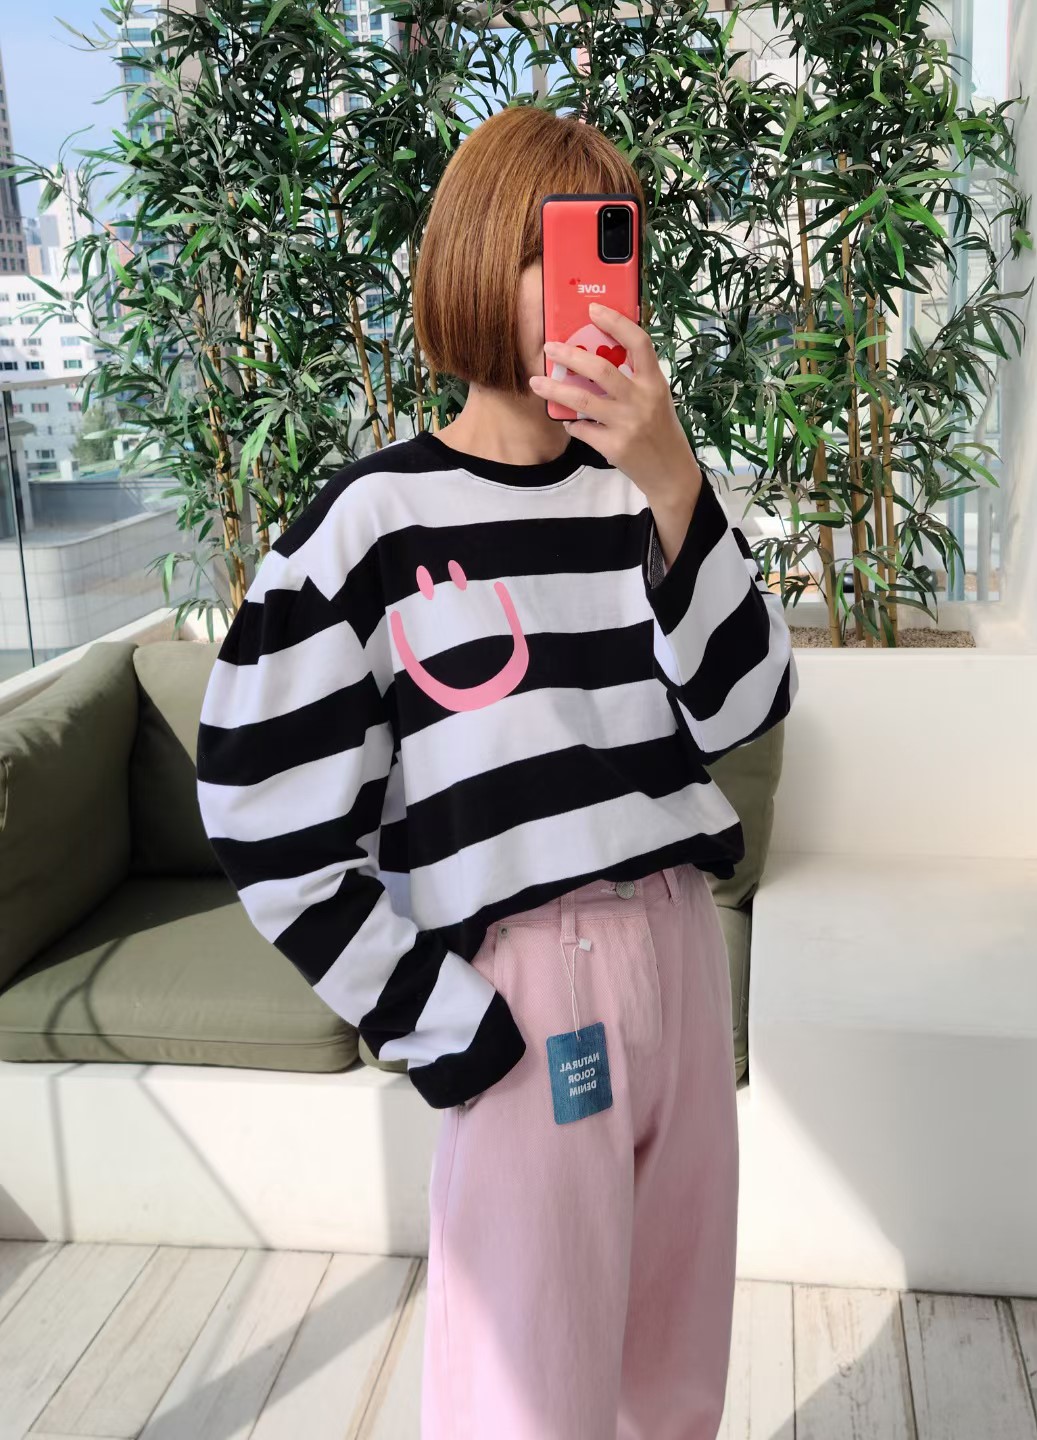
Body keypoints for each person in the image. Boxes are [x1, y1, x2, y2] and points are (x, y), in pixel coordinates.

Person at [195, 103, 798, 1440]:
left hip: (683, 952)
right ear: (472, 260)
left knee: (672, 1373)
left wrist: (674, 482)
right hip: (528, 987)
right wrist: (435, 1015)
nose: (586, 287)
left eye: (607, 249)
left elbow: (746, 707)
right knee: (527, 1389)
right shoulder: (371, 525)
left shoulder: (642, 494)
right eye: (548, 251)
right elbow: (258, 805)